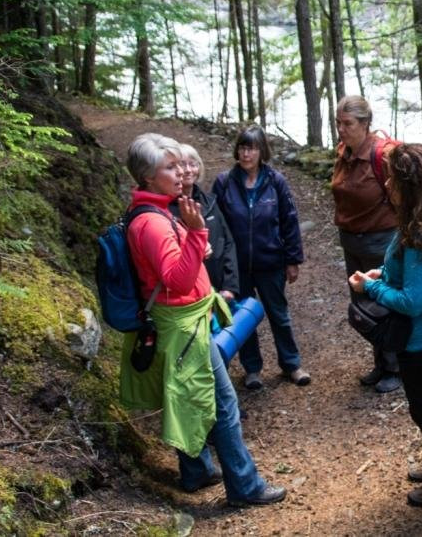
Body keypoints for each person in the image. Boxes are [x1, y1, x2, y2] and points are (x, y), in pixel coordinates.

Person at [118, 133, 285, 507]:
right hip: (183, 326)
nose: (181, 173)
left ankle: (196, 472)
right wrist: (195, 235)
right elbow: (176, 279)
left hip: (182, 321)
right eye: (170, 167)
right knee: (221, 403)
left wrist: (193, 240)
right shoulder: (153, 223)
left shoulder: (158, 210)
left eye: (181, 165)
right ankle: (245, 487)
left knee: (187, 397)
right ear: (148, 176)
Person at [348, 143, 422, 508]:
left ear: (406, 184)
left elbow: (412, 302)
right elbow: (415, 278)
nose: (386, 184)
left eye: (390, 178)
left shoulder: (420, 235)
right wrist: (384, 272)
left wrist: (370, 287)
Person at [213, 126, 310, 389]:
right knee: (243, 319)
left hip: (271, 263)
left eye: (252, 148)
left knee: (279, 315)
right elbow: (216, 228)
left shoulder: (275, 181)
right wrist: (219, 266)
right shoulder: (224, 182)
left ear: (261, 151)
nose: (247, 154)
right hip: (238, 266)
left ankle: (292, 364)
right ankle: (252, 369)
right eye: (243, 148)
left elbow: (290, 221)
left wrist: (292, 260)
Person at [331, 95, 401, 394]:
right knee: (364, 306)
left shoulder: (383, 156)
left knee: (383, 304)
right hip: (352, 240)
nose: (341, 130)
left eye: (347, 124)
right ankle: (380, 363)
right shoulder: (344, 153)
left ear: (365, 123)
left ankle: (396, 368)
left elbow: (404, 197)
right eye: (338, 123)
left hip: (381, 242)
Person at [170, 143, 239, 303]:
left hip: (221, 290)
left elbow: (228, 243)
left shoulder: (211, 202)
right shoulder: (166, 210)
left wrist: (230, 286)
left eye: (192, 164)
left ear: (199, 168)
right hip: (190, 296)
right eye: (181, 164)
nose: (187, 170)